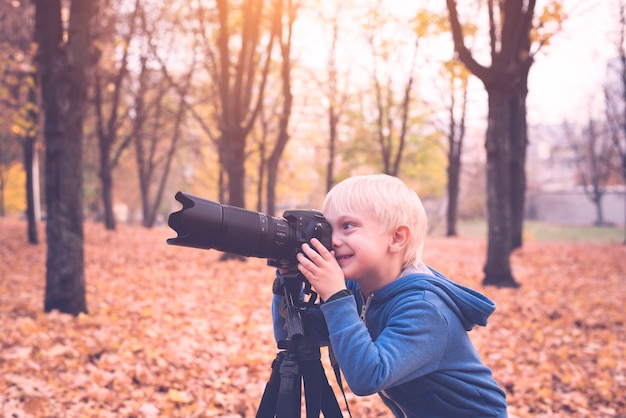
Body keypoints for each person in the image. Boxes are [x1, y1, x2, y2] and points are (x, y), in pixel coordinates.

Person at [272, 173, 508, 417]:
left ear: (396, 238)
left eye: (348, 226)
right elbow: (293, 335)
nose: (333, 240)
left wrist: (335, 296)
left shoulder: (425, 308)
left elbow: (368, 376)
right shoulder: (358, 289)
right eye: (330, 228)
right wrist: (288, 279)